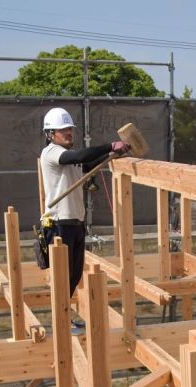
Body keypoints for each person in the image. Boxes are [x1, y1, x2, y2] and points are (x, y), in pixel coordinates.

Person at [39, 107, 131, 298]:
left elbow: (87, 164)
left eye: (70, 129)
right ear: (50, 134)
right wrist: (110, 146)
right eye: (63, 130)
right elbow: (80, 156)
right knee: (62, 279)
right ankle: (61, 322)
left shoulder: (68, 156)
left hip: (75, 224)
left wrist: (114, 154)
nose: (69, 133)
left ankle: (66, 319)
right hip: (59, 226)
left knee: (73, 277)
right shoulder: (51, 153)